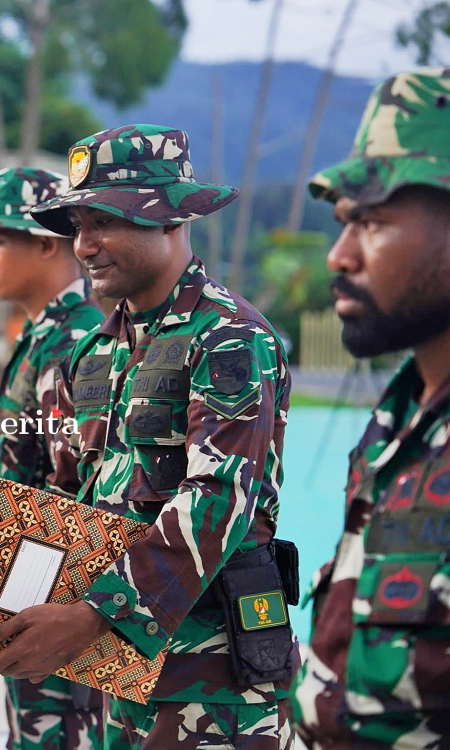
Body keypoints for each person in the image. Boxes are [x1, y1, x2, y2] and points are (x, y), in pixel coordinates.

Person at [0, 125, 299, 749]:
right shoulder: (96, 352)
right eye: (76, 225)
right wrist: (8, 601)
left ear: (171, 217)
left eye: (104, 221)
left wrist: (94, 615)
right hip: (115, 674)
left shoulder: (228, 337)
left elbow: (216, 501)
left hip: (213, 684)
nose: (85, 245)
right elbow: (68, 501)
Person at [290, 68, 450, 750]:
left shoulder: (217, 340)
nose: (339, 254)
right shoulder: (398, 421)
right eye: (343, 223)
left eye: (373, 221)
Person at [0, 167, 107, 750]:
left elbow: (76, 497)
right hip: (24, 583)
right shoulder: (49, 333)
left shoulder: (76, 341)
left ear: (46, 243)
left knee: (59, 735)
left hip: (52, 598)